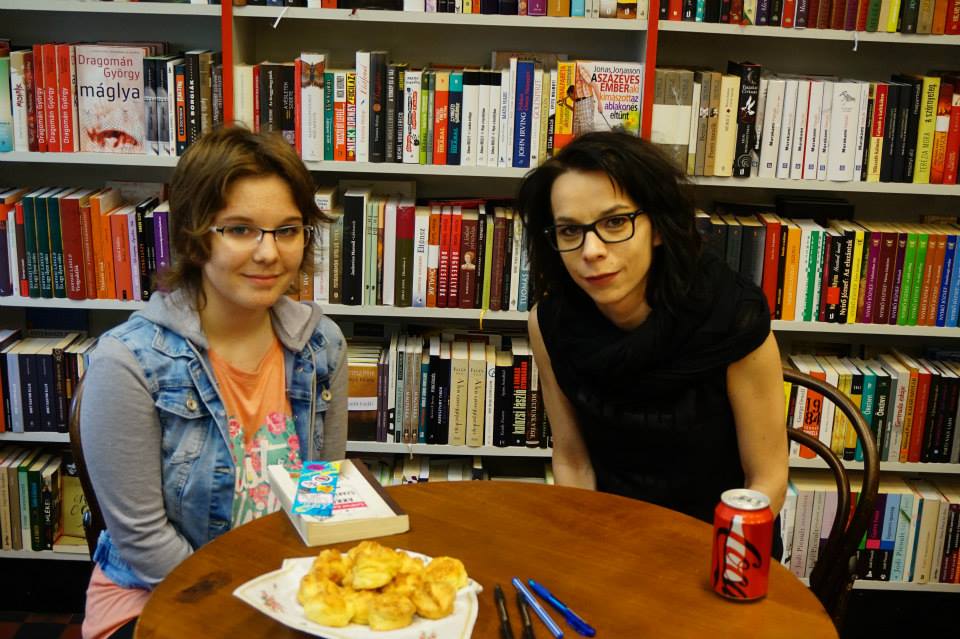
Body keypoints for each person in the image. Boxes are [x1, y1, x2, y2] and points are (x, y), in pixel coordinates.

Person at [79, 127, 348, 639]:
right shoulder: (128, 361)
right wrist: (251, 606)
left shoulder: (322, 345)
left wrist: (302, 598)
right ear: (194, 236)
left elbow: (321, 495)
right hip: (155, 598)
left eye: (287, 230)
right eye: (240, 229)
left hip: (283, 591)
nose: (269, 253)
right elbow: (143, 541)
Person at [517, 132, 787, 550]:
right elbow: (573, 461)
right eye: (570, 230)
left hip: (718, 547)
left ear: (658, 227)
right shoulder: (549, 323)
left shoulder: (732, 316)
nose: (591, 250)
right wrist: (582, 552)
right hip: (609, 541)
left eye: (614, 223)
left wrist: (716, 563)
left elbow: (768, 479)